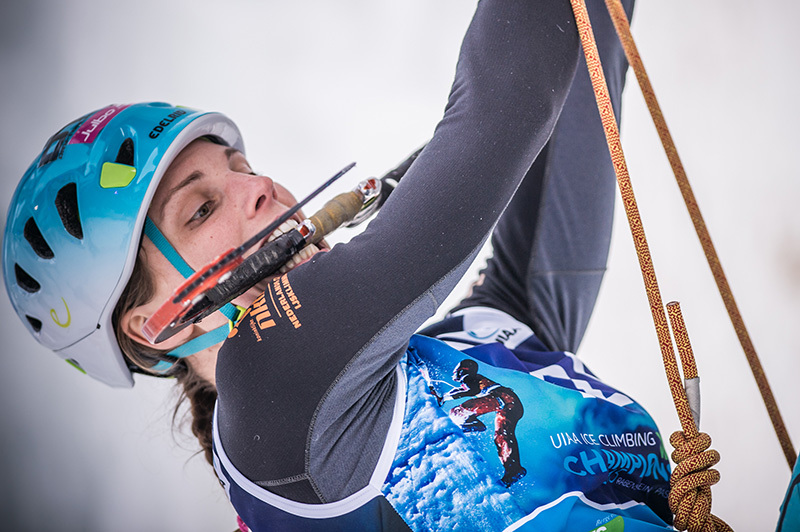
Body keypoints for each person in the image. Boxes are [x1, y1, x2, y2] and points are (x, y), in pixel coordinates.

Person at [3, 0, 676, 530]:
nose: (258, 187)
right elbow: (503, 106)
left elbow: (575, 70)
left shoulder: (464, 358)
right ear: (153, 327)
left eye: (240, 167)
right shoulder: (271, 390)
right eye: (202, 209)